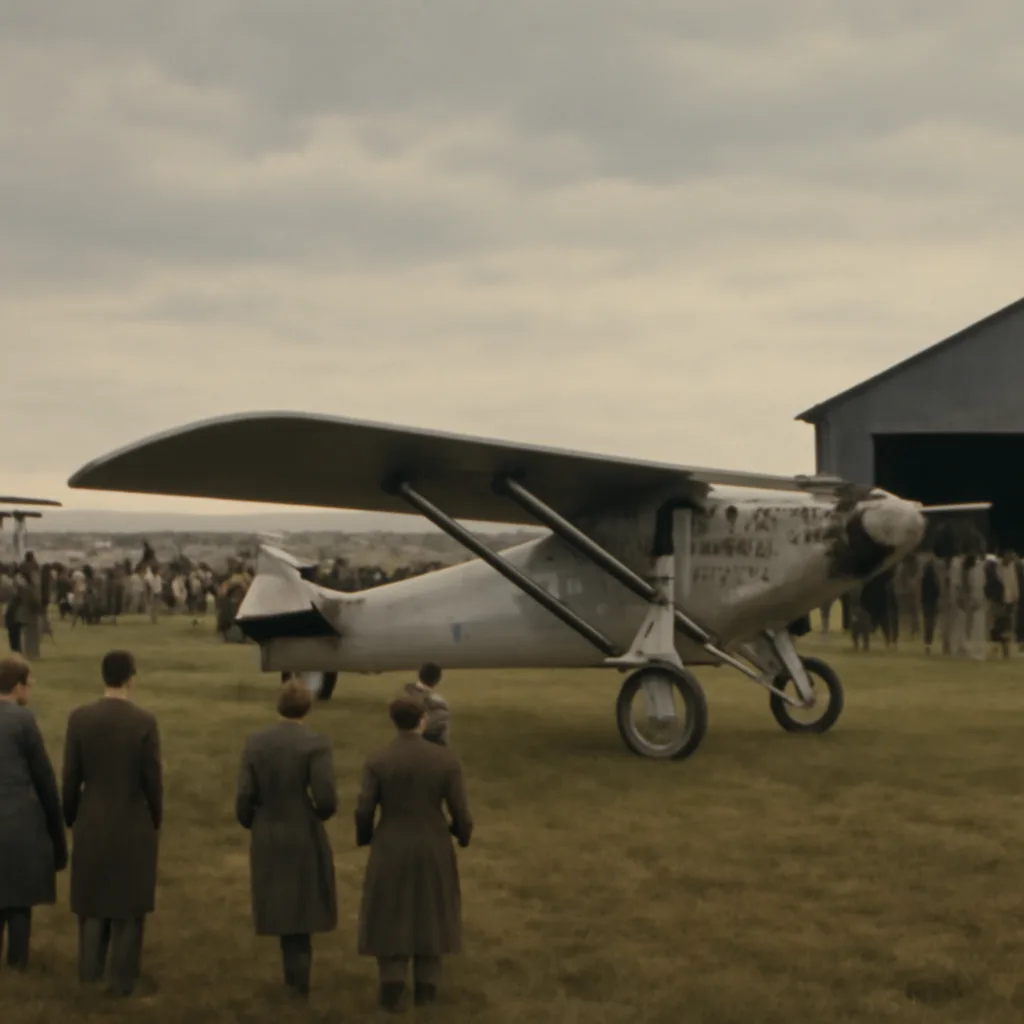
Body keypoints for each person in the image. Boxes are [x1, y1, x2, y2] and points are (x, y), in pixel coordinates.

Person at [356, 693, 473, 1011]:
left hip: (391, 843)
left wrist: (365, 836)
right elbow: (461, 812)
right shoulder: (445, 760)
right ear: (423, 720)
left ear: (394, 721)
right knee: (430, 910)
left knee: (392, 909)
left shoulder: (378, 759)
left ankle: (391, 979)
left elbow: (364, 808)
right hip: (432, 843)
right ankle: (427, 986)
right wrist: (462, 835)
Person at [61, 650, 163, 997]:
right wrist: (155, 817)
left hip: (91, 816)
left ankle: (89, 972)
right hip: (132, 819)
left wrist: (72, 814)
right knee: (129, 904)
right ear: (131, 678)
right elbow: (152, 779)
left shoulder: (79, 719)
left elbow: (71, 776)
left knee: (91, 899)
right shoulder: (144, 722)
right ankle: (123, 978)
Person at [235, 679, 338, 997]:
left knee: (279, 900)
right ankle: (300, 979)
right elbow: (326, 798)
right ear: (307, 707)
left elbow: (244, 796)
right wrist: (314, 816)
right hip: (302, 828)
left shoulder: (256, 742)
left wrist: (254, 821)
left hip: (268, 827)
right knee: (303, 902)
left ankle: (292, 976)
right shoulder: (315, 743)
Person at [0, 654, 66, 970]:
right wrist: (57, 834)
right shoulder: (24, 722)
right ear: (17, 687)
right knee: (18, 899)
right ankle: (17, 962)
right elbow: (44, 780)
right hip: (16, 821)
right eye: (29, 683)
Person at [402, 661, 450, 746]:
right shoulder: (438, 703)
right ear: (438, 679)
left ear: (419, 675)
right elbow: (434, 731)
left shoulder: (405, 695)